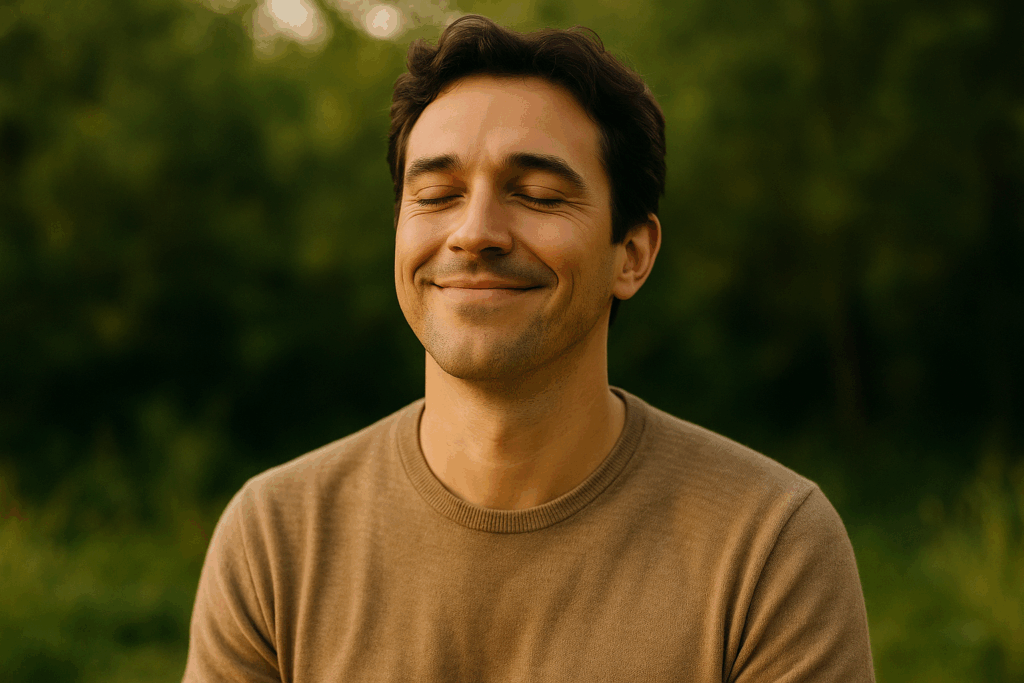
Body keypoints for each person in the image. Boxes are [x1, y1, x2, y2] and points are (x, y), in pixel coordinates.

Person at [183, 15, 875, 682]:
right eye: (437, 194)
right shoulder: (275, 540)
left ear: (631, 254)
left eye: (538, 194)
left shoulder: (768, 547)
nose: (475, 231)